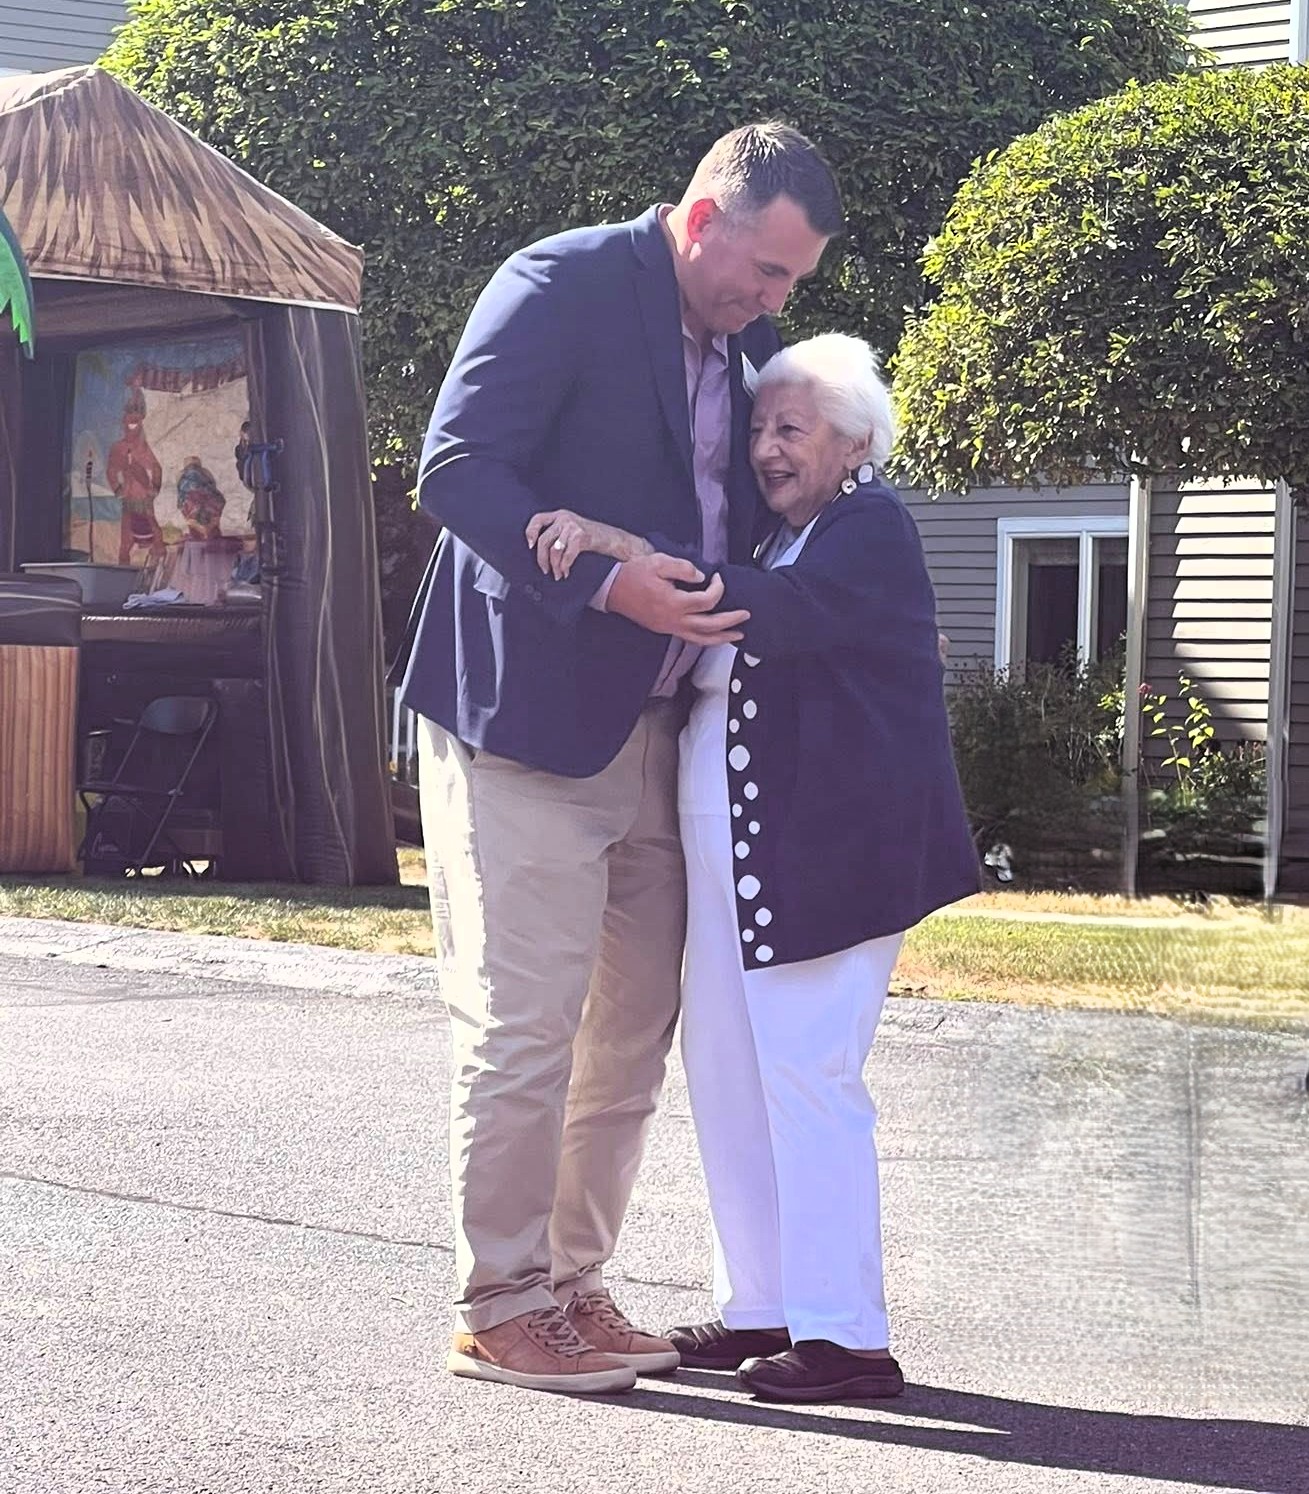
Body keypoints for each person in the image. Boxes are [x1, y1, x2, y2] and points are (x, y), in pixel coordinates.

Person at [396, 123, 843, 1394]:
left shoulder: (751, 351)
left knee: (629, 1035)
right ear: (702, 220)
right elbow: (454, 469)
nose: (775, 303)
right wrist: (605, 580)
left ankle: (572, 1285)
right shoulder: (560, 283)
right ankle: (498, 1301)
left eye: (792, 284)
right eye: (764, 272)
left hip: (662, 725)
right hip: (524, 723)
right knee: (525, 1026)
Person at [526, 333, 980, 1404]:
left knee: (810, 1081)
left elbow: (768, 616)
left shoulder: (867, 528)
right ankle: (765, 1307)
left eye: (793, 428)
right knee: (729, 1077)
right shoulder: (789, 535)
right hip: (744, 864)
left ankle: (848, 1339)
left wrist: (615, 543)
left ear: (853, 440)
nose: (767, 449)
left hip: (831, 862)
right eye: (761, 428)